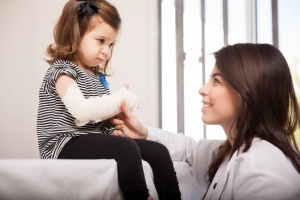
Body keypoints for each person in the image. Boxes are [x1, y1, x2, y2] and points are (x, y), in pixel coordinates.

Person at [112, 43, 300, 199]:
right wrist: (144, 133)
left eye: (216, 81)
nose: (202, 89)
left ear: (249, 90)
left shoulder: (264, 169)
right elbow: (189, 151)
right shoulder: (235, 150)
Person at [36, 0, 181, 199]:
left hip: (85, 139)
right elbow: (82, 112)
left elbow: (100, 118)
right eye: (101, 41)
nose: (106, 50)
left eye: (111, 44)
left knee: (158, 151)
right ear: (75, 34)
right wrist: (119, 99)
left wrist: (111, 130)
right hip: (62, 144)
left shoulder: (96, 77)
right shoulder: (63, 72)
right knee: (126, 147)